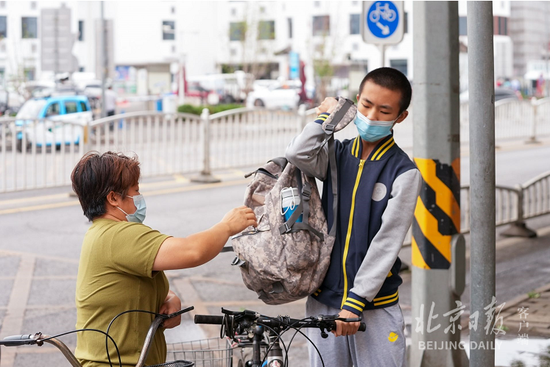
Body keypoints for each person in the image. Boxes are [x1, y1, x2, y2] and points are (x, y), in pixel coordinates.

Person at [285, 67, 422, 367]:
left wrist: (356, 301)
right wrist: (328, 117)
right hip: (324, 301)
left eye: (384, 110)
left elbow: (387, 243)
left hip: (374, 307)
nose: (372, 116)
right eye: (366, 105)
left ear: (400, 117)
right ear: (357, 101)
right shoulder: (336, 154)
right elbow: (298, 153)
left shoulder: (404, 173)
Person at [70, 151, 257, 367]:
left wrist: (168, 298)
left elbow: (119, 289)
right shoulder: (119, 235)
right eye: (135, 191)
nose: (139, 199)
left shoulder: (100, 234)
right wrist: (227, 226)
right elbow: (192, 251)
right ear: (113, 198)